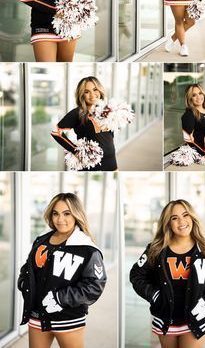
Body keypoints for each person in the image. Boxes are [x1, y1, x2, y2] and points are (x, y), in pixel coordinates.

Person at [130, 199, 205, 348]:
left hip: (195, 320)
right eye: (174, 218)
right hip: (165, 319)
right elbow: (136, 274)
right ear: (168, 223)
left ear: (192, 217)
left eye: (185, 215)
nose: (181, 221)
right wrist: (154, 295)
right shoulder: (156, 249)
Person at [18, 193, 107, 348]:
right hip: (38, 315)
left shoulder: (87, 248)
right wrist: (24, 284)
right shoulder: (41, 240)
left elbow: (95, 285)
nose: (60, 220)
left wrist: (61, 298)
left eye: (67, 214)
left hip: (68, 319)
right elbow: (28, 268)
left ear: (76, 215)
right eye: (55, 214)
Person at [51, 76, 118, 171]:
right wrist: (76, 151)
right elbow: (56, 133)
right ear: (81, 94)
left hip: (111, 160)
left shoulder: (107, 110)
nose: (92, 94)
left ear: (100, 90)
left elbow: (110, 135)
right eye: (87, 92)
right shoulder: (77, 113)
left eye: (95, 89)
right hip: (90, 163)